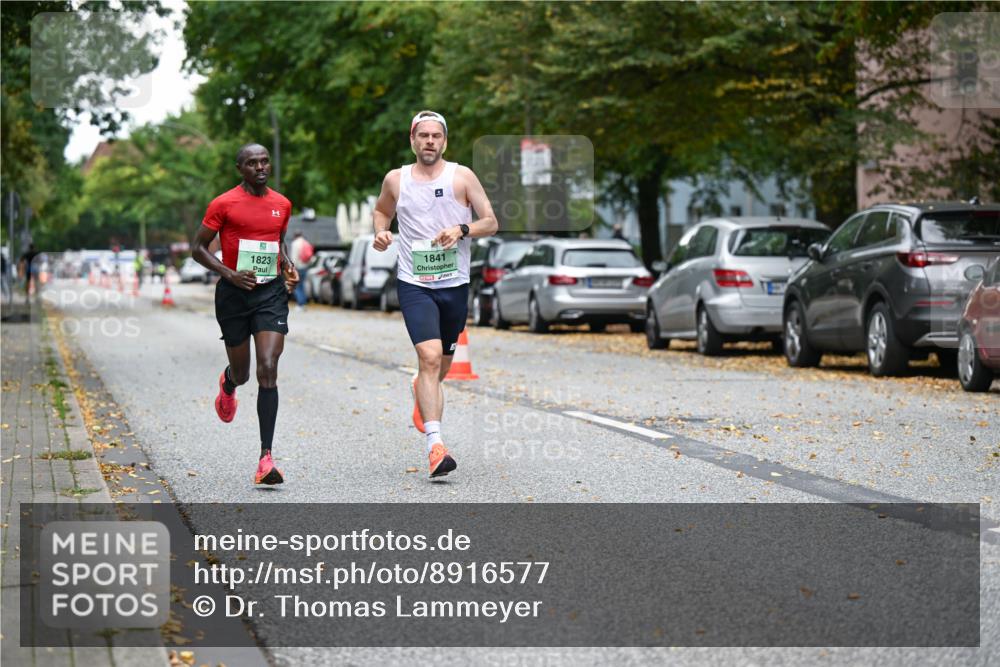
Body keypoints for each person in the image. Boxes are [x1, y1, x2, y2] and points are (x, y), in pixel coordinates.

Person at [372, 110, 498, 478]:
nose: (429, 141)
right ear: (412, 140)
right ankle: (436, 446)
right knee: (428, 358)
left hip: (454, 284)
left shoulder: (462, 176)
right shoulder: (396, 179)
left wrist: (462, 229)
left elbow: (491, 221)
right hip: (414, 282)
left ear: (444, 141)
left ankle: (421, 389)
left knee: (439, 367)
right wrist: (382, 232)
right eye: (423, 135)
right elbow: (382, 211)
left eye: (436, 136)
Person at [191, 143, 298, 485]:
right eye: (252, 163)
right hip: (234, 294)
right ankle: (228, 381)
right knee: (244, 373)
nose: (260, 167)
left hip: (269, 293)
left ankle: (266, 458)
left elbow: (277, 243)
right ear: (241, 168)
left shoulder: (281, 204)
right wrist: (228, 273)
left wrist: (287, 265)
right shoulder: (223, 204)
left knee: (268, 367)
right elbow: (197, 249)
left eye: (264, 161)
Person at [289, 231, 313, 310]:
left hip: (298, 267)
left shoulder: (295, 243)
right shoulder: (306, 242)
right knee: (302, 285)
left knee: (297, 286)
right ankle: (303, 303)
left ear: (295, 236)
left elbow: (294, 257)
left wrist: (292, 268)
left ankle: (300, 304)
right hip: (305, 267)